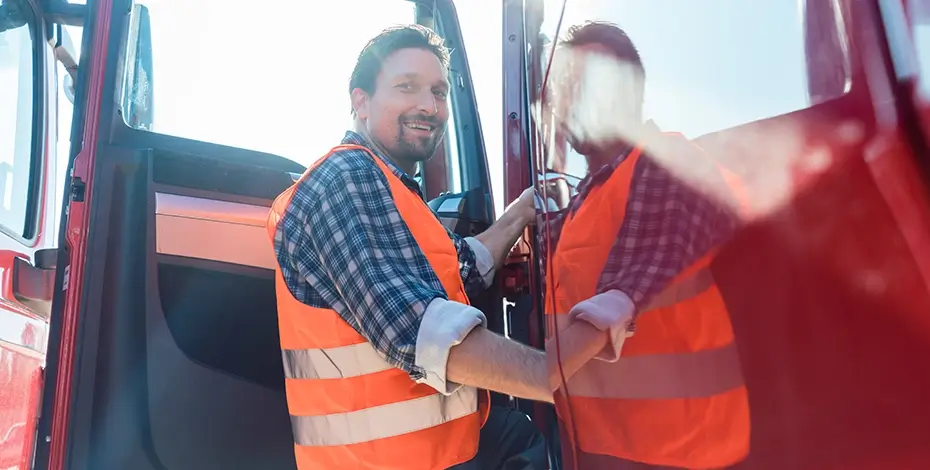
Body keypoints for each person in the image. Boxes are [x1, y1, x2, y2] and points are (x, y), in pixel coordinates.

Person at [266, 24, 612, 470]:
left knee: (517, 435)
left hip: (433, 451)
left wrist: (522, 212)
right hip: (383, 463)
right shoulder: (347, 179)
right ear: (360, 102)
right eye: (406, 87)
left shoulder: (392, 187)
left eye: (438, 91)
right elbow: (417, 331)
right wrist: (552, 374)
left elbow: (461, 267)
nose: (428, 107)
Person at [541, 22, 751, 470]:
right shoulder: (588, 197)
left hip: (682, 450)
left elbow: (644, 264)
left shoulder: (665, 159)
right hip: (605, 444)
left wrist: (525, 374)